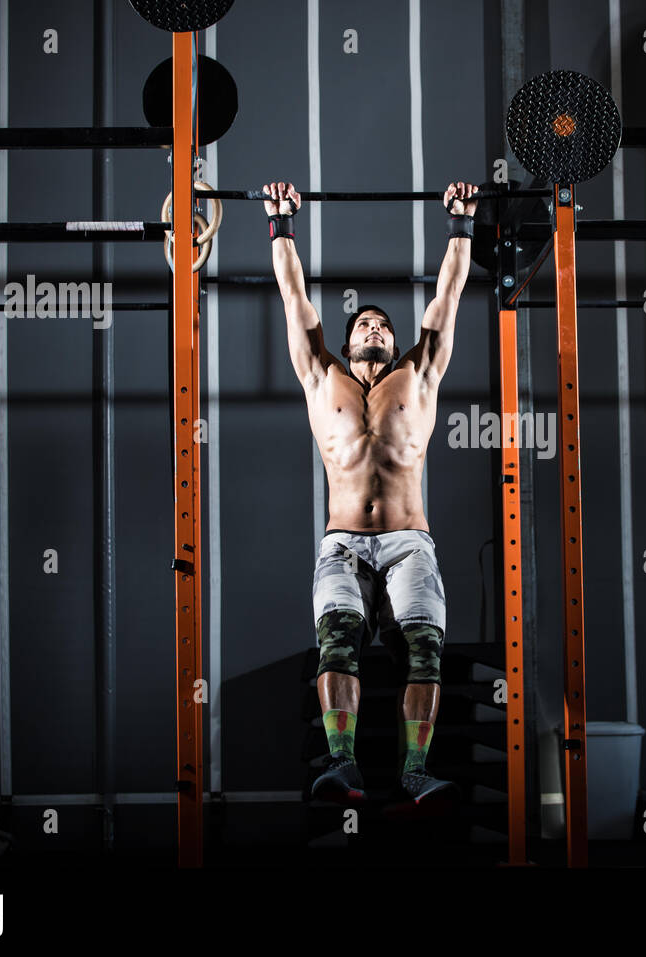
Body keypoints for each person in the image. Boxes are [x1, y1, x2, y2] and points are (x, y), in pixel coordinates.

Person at [263, 178, 478, 808]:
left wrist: (460, 224)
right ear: (350, 338)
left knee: (427, 652)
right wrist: (281, 222)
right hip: (343, 542)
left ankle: (415, 770)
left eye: (384, 324)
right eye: (365, 323)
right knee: (338, 642)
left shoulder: (421, 372)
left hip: (410, 542)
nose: (377, 329)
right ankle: (342, 765)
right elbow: (292, 294)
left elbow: (449, 295)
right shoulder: (318, 373)